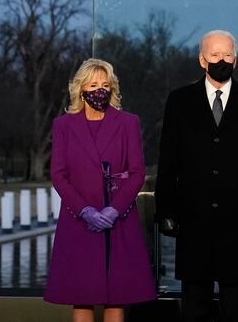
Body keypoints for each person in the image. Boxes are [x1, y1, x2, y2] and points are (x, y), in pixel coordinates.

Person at [155, 30, 238, 322]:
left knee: (235, 307)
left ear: (235, 60)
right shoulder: (179, 101)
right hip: (192, 219)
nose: (221, 60)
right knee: (194, 305)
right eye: (214, 55)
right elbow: (167, 161)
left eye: (227, 55)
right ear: (201, 60)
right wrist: (166, 210)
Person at [44, 59, 156, 322]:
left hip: (118, 219)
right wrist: (85, 211)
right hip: (78, 220)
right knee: (81, 295)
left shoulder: (128, 122)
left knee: (115, 295)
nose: (100, 90)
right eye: (93, 84)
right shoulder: (64, 125)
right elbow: (58, 175)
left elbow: (137, 172)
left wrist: (114, 210)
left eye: (105, 85)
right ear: (80, 89)